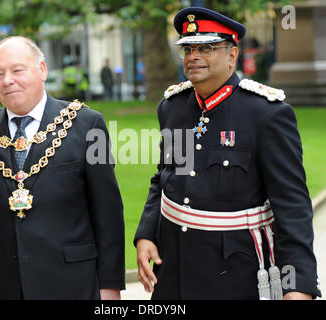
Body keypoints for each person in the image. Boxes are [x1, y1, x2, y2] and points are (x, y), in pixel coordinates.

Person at [134, 7, 321, 300]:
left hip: (234, 275)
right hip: (174, 272)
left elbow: (292, 207)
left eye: (206, 48)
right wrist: (146, 233)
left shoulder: (267, 114)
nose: (193, 56)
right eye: (188, 49)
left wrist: (298, 288)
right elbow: (165, 177)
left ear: (232, 55)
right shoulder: (172, 107)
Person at [0, 36, 125, 300]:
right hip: (2, 287)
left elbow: (108, 213)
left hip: (72, 284)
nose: (7, 80)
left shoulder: (87, 124)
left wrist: (110, 285)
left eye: (17, 70)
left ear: (42, 70)